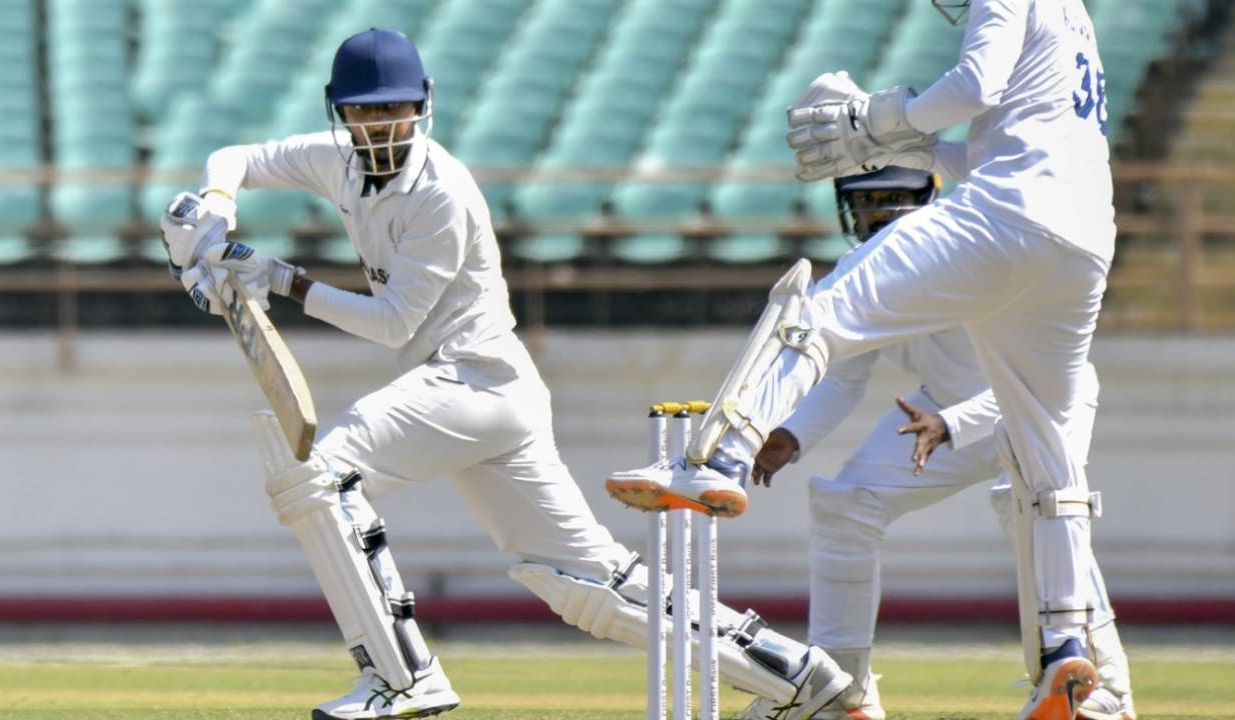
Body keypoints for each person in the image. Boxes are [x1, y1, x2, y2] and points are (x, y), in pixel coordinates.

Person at [159, 28, 853, 720]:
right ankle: (799, 676)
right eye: (365, 111)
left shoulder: (441, 192)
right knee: (588, 587)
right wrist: (218, 204)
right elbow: (236, 156)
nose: (379, 124)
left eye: (392, 108)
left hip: (471, 380)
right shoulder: (332, 160)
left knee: (320, 476)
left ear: (422, 104)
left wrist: (281, 278)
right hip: (482, 396)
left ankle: (403, 678)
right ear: (339, 112)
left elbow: (394, 323)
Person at [607, 1, 1117, 717]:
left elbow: (974, 86)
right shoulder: (1074, 18)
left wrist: (871, 120)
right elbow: (998, 139)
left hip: (1009, 219)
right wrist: (900, 143)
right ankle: (1068, 651)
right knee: (1046, 459)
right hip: (1084, 239)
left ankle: (716, 458)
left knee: (813, 311)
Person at [737, 168, 1134, 720]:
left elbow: (1022, 378)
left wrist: (952, 423)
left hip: (1040, 401)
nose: (876, 213)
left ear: (926, 199)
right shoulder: (870, 270)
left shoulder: (972, 252)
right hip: (936, 415)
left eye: (890, 199)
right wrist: (789, 432)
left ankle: (1103, 692)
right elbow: (844, 372)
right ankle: (841, 692)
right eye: (865, 202)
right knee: (846, 504)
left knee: (1028, 505)